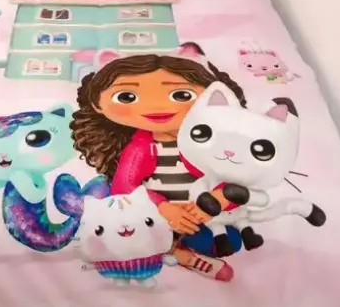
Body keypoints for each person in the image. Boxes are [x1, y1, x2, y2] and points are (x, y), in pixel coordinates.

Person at [70, 44, 247, 282]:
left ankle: (172, 248)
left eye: (181, 95)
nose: (157, 106)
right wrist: (163, 207)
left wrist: (215, 202)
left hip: (201, 214)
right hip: (155, 215)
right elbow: (124, 187)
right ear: (97, 104)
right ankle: (180, 254)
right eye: (127, 97)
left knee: (228, 240)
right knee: (126, 233)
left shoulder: (215, 141)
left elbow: (236, 176)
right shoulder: (140, 147)